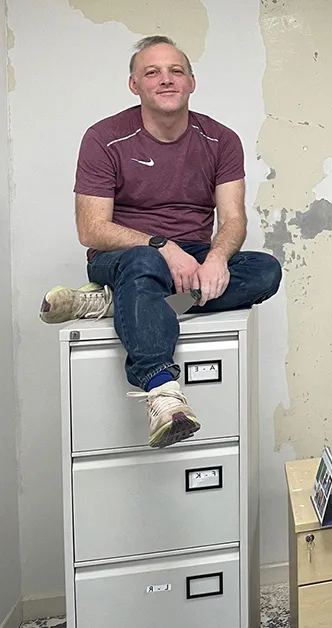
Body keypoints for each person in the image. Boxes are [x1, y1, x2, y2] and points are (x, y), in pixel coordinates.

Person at [40, 36, 282, 448]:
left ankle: (119, 302)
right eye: (152, 72)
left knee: (265, 270)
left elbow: (234, 218)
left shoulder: (221, 140)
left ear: (191, 81)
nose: (165, 80)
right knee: (144, 264)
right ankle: (162, 389)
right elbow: (91, 228)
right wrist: (163, 247)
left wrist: (219, 258)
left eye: (175, 71)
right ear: (134, 85)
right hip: (120, 256)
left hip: (193, 254)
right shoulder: (104, 138)